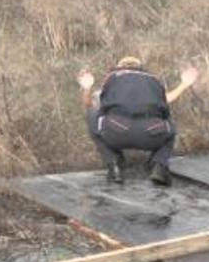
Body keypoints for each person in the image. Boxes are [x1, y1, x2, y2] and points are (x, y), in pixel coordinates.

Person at [77, 57, 199, 186]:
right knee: (169, 125)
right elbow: (166, 100)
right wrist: (184, 84)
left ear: (119, 67)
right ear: (141, 68)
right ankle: (159, 166)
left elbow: (90, 104)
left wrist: (87, 88)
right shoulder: (152, 81)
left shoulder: (112, 79)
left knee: (93, 114)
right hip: (152, 133)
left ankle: (114, 165)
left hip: (117, 131)